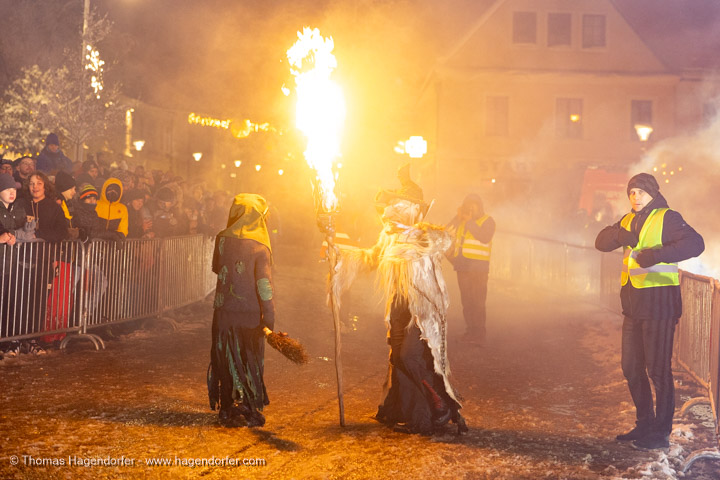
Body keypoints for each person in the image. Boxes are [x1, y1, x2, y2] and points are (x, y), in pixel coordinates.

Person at [332, 172, 467, 435]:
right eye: (393, 205)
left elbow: (445, 242)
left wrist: (413, 236)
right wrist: (339, 254)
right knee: (397, 357)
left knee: (410, 356)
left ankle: (441, 405)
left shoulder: (424, 235)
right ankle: (412, 415)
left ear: (415, 209)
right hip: (398, 305)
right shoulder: (389, 235)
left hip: (422, 309)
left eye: (400, 205)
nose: (392, 210)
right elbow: (372, 258)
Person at [595, 173, 704, 450]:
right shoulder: (628, 219)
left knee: (658, 371)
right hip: (633, 307)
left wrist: (656, 254)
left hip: (659, 306)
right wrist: (619, 234)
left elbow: (695, 244)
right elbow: (601, 242)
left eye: (640, 192)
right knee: (631, 367)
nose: (635, 197)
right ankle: (644, 423)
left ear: (652, 193)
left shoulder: (668, 217)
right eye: (631, 192)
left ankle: (661, 433)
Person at [207, 194, 275, 428]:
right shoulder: (260, 246)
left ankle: (226, 408)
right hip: (250, 315)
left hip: (224, 312)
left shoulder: (222, 239)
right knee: (248, 359)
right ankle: (248, 407)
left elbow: (217, 268)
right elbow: (264, 284)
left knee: (225, 358)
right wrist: (270, 315)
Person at [446, 194, 496, 345]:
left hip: (479, 269)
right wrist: (457, 217)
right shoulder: (462, 220)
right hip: (463, 267)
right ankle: (470, 332)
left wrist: (469, 221)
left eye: (472, 206)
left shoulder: (488, 221)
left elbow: (484, 237)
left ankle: (479, 334)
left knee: (478, 302)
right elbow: (447, 231)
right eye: (467, 206)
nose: (470, 209)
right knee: (467, 302)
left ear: (479, 207)